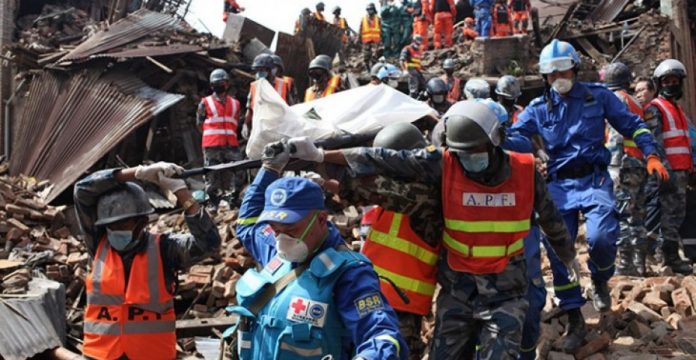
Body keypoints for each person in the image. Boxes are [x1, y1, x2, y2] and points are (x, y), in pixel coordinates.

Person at [286, 100, 576, 359]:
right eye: (461, 152)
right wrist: (323, 155)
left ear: (495, 140)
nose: (467, 159)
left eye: (474, 152)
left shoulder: (524, 173)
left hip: (506, 293)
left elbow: (551, 220)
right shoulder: (446, 164)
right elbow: (383, 158)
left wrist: (567, 255)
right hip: (458, 292)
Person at [507, 39, 667, 352]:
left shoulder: (599, 96)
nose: (557, 78)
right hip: (557, 186)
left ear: (575, 68)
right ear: (544, 78)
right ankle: (574, 316)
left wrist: (651, 153)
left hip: (594, 181)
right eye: (550, 75)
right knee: (558, 252)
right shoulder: (538, 108)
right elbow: (514, 136)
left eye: (561, 70)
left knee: (603, 238)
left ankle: (599, 279)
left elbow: (632, 124)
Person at [227, 142, 407, 360]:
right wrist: (269, 170)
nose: (282, 238)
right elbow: (247, 224)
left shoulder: (349, 274)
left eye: (292, 229)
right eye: (275, 229)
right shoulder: (274, 250)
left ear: (321, 219)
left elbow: (381, 334)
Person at [75, 162, 221, 359]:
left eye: (123, 222)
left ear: (142, 222)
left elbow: (209, 243)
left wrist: (182, 193)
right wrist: (137, 173)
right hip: (101, 354)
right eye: (111, 225)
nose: (115, 229)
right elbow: (82, 190)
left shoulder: (165, 249)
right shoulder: (98, 244)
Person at [356, 123, 440, 360]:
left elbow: (367, 188)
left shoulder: (423, 200)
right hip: (369, 298)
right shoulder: (393, 201)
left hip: (401, 309)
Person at [602, 62, 654, 277]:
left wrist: (613, 166)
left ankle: (625, 264)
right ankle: (639, 263)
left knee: (621, 214)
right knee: (637, 216)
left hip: (622, 164)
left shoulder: (616, 99)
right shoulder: (635, 101)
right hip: (638, 164)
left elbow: (615, 135)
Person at [644, 59, 694, 274]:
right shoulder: (655, 108)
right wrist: (663, 171)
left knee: (677, 216)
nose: (671, 84)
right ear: (658, 84)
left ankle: (667, 255)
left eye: (675, 80)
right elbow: (655, 142)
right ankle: (668, 257)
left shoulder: (677, 109)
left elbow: (684, 141)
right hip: (668, 172)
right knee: (668, 217)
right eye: (667, 81)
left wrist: (691, 169)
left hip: (682, 170)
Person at [196, 69, 243, 210]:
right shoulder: (205, 102)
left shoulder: (235, 103)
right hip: (212, 145)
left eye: (222, 82)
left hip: (231, 144)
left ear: (227, 84)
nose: (219, 85)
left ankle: (234, 199)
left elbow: (236, 121)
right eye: (216, 83)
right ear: (211, 86)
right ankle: (213, 202)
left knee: (238, 171)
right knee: (212, 174)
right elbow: (199, 123)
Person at [244, 54, 294, 138]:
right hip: (260, 131)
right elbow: (250, 110)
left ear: (270, 70)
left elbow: (291, 108)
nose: (258, 73)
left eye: (261, 70)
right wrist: (245, 125)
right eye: (257, 71)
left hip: (280, 130)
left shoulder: (283, 85)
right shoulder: (254, 86)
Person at [361, 3, 382, 69]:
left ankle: (374, 69)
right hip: (366, 40)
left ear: (374, 10)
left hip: (375, 41)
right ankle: (368, 69)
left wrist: (381, 40)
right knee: (366, 56)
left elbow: (381, 29)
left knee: (375, 56)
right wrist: (359, 39)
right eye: (368, 10)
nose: (370, 11)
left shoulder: (378, 19)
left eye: (371, 10)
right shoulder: (363, 19)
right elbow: (360, 29)